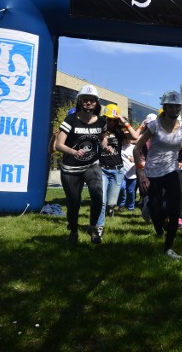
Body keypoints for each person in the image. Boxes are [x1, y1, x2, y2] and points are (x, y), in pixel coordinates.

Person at [133, 90, 182, 260]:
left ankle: (168, 248)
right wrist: (141, 172)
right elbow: (137, 148)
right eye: (171, 107)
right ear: (164, 107)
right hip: (152, 172)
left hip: (172, 170)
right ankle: (152, 214)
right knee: (157, 211)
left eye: (177, 107)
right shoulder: (154, 125)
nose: (175, 110)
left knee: (175, 209)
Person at [55, 84, 108, 244]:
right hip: (71, 168)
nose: (88, 103)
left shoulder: (101, 121)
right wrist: (73, 152)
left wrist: (106, 144)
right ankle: (73, 229)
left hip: (92, 165)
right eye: (85, 100)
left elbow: (102, 137)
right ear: (80, 101)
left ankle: (93, 228)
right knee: (74, 203)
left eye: (92, 100)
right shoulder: (70, 120)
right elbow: (59, 145)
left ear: (96, 103)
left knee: (98, 196)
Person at [97, 104, 138, 236]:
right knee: (101, 201)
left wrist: (124, 121)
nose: (111, 122)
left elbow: (135, 136)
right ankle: (99, 227)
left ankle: (111, 208)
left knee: (111, 202)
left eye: (113, 120)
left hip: (117, 170)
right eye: (109, 119)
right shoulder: (99, 130)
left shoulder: (120, 132)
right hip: (102, 169)